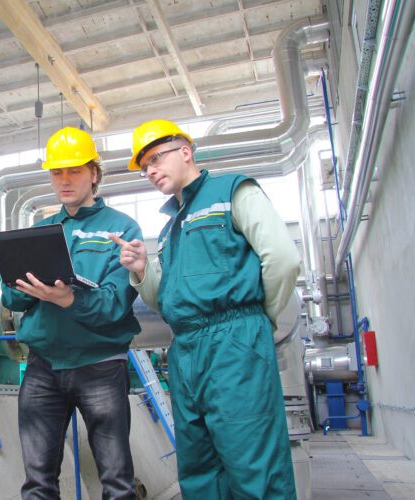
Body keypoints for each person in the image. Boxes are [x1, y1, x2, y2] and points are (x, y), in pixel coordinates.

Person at [110, 119, 301, 499]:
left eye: (154, 158)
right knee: (199, 468)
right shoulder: (169, 229)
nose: (149, 171)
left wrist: (260, 321)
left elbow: (282, 259)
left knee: (252, 461)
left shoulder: (233, 191)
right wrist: (142, 270)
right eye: (144, 166)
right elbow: (165, 301)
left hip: (236, 343)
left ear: (185, 151)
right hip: (187, 350)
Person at [2, 127, 142, 499]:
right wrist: (20, 286)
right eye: (57, 172)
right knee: (37, 482)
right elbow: (12, 299)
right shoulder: (41, 229)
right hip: (43, 366)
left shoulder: (121, 229)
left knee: (116, 480)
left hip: (100, 364)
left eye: (75, 171)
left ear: (95, 173)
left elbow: (115, 304)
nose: (64, 180)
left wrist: (68, 300)